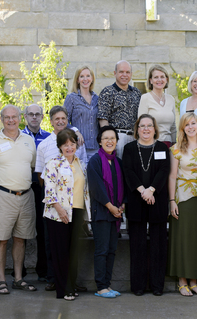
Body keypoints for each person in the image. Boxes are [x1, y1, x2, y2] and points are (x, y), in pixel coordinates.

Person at [0, 105, 37, 295]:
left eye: (14, 117)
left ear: (20, 118)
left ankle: (18, 278)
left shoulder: (29, 141)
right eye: (7, 117)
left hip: (25, 196)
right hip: (2, 196)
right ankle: (2, 280)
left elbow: (32, 166)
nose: (11, 120)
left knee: (20, 239)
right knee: (2, 240)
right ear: (1, 119)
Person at [34, 105, 88, 291]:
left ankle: (70, 281)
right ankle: (54, 278)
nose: (60, 121)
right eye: (56, 118)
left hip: (76, 204)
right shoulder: (44, 145)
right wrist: (57, 203)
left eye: (63, 118)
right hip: (55, 203)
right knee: (53, 244)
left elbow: (80, 171)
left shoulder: (77, 141)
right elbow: (42, 178)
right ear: (50, 121)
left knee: (73, 247)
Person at [168, 113, 197, 297]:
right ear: (182, 128)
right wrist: (171, 201)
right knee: (183, 239)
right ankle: (182, 281)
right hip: (183, 197)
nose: (190, 127)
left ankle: (195, 282)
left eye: (193, 123)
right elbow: (172, 176)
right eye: (186, 125)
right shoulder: (176, 149)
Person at [123, 114, 170, 296]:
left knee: (159, 245)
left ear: (154, 128)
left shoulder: (162, 148)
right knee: (137, 245)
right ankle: (138, 286)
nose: (146, 129)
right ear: (137, 129)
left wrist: (151, 190)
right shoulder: (129, 149)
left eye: (149, 125)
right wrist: (143, 190)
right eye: (142, 126)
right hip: (136, 200)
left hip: (157, 199)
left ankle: (158, 286)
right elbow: (128, 171)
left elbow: (164, 170)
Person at [42, 129, 90, 300]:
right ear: (60, 146)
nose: (69, 147)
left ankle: (71, 284)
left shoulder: (80, 163)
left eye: (72, 144)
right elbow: (49, 190)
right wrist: (60, 209)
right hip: (58, 214)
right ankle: (64, 289)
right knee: (61, 252)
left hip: (77, 212)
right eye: (65, 145)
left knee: (73, 251)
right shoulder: (53, 163)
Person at [87, 125, 125, 299]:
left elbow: (123, 186)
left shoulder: (118, 162)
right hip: (101, 213)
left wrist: (122, 206)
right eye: (106, 138)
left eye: (112, 138)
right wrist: (111, 207)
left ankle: (107, 285)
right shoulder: (95, 161)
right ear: (100, 142)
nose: (109, 141)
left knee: (111, 250)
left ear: (116, 141)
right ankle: (101, 286)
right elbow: (97, 188)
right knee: (101, 250)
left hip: (116, 213)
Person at [21, 104, 51, 284]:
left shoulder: (48, 138)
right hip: (23, 186)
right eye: (30, 114)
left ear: (42, 116)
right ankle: (20, 271)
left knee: (42, 229)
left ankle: (43, 270)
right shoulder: (18, 137)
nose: (34, 117)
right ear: (25, 116)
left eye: (37, 114)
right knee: (21, 230)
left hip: (42, 187)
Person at [98, 60, 142, 159]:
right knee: (118, 169)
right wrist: (110, 140)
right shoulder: (107, 92)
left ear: (131, 74)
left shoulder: (136, 93)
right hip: (118, 138)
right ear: (115, 73)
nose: (124, 75)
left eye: (127, 72)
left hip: (135, 138)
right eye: (121, 72)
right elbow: (103, 119)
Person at [64, 66, 100, 161]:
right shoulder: (71, 98)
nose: (85, 79)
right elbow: (64, 120)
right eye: (82, 76)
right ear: (77, 79)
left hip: (96, 148)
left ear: (92, 79)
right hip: (78, 147)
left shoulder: (97, 98)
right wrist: (75, 131)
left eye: (88, 76)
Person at [138, 65, 176, 147]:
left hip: (169, 144)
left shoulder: (171, 99)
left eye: (162, 77)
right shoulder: (145, 98)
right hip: (151, 144)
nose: (159, 80)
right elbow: (141, 126)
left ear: (166, 79)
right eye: (156, 77)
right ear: (151, 80)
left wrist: (175, 145)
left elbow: (173, 127)